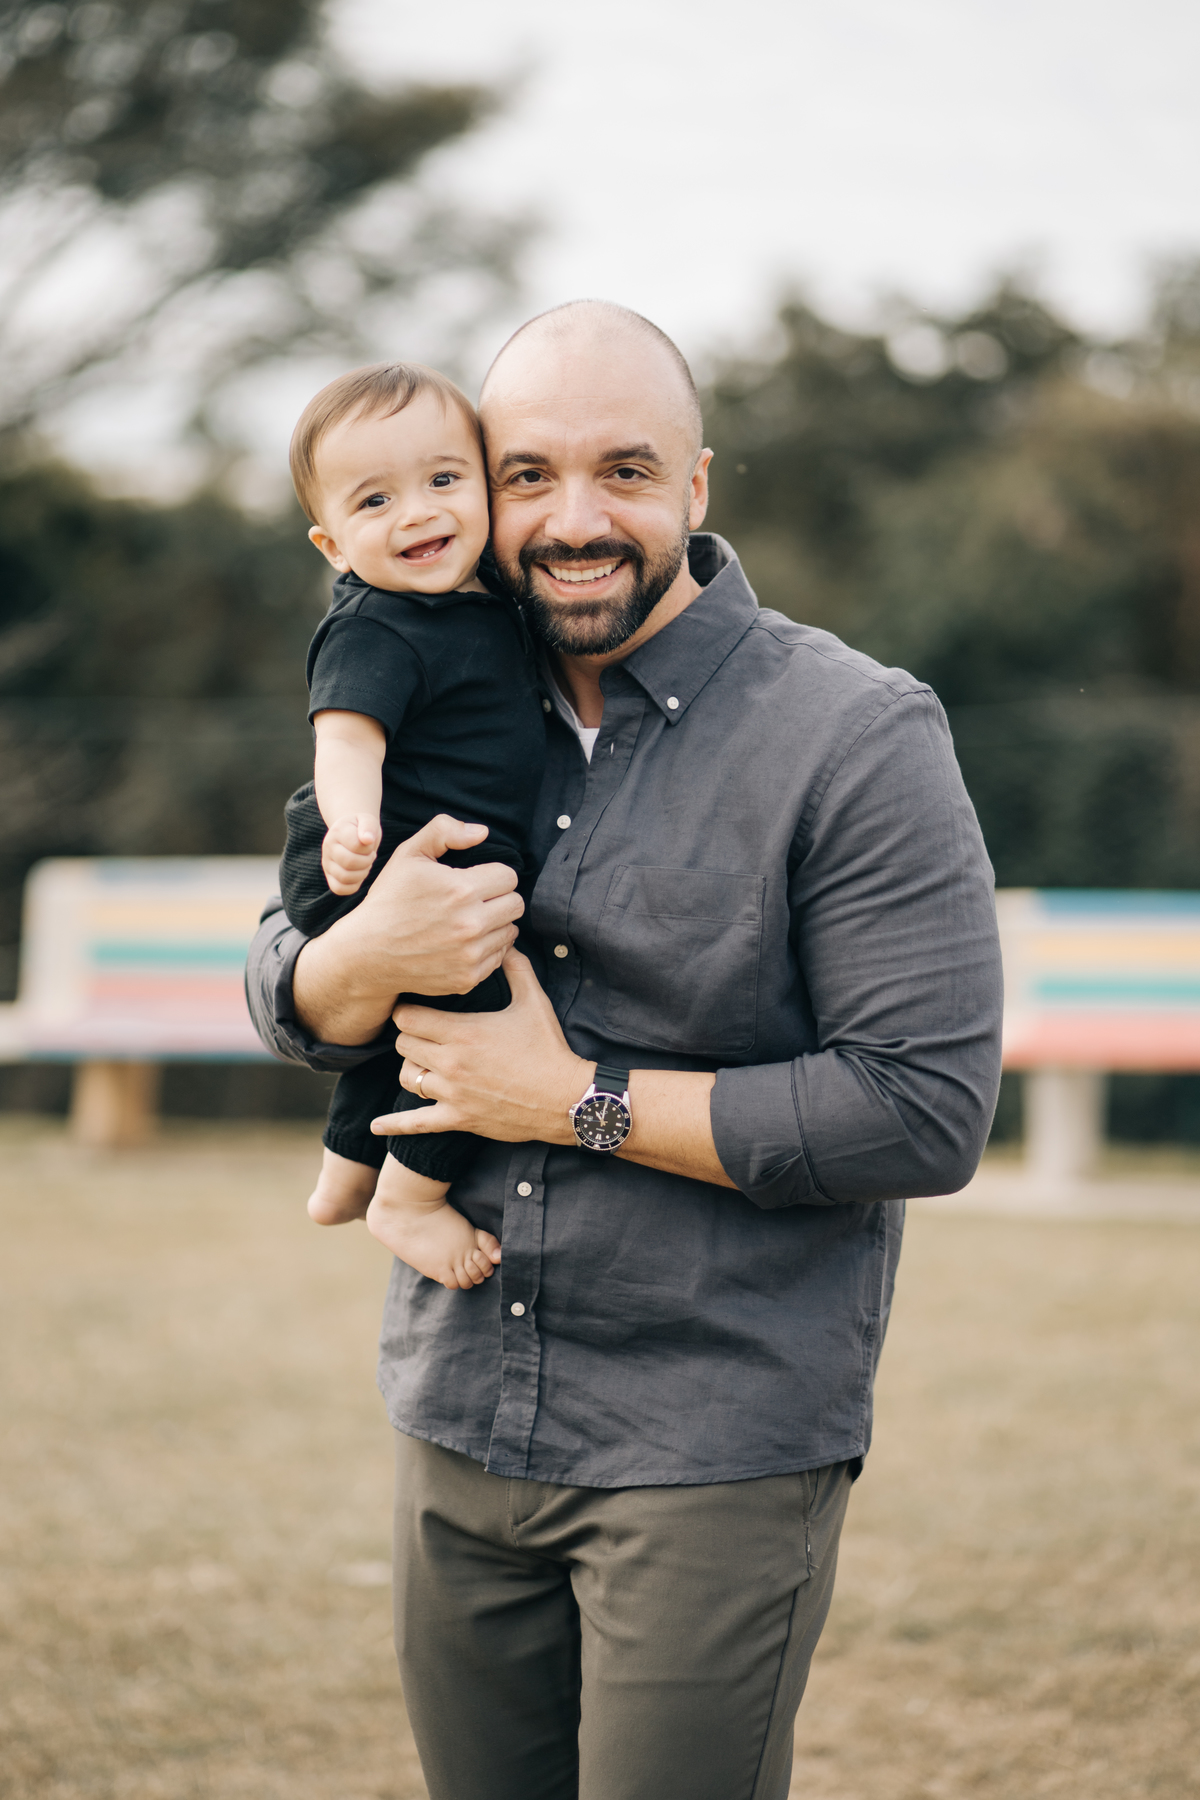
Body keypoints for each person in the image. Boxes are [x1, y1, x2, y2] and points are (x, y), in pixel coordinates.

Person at [246, 299, 1004, 1800]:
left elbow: (921, 1111)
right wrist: (357, 962)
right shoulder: (434, 665)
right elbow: (286, 973)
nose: (575, 520)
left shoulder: (855, 733)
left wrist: (567, 1101)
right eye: (527, 474)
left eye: (628, 472)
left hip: (708, 1443)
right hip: (456, 1413)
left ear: (697, 485)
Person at [280, 360, 545, 1288]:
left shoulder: (484, 602)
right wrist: (352, 826)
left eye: (443, 479)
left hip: (428, 854)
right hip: (383, 855)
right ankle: (410, 1197)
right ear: (333, 544)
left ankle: (346, 1172)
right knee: (475, 1020)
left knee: (409, 1018)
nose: (418, 513)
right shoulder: (378, 624)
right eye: (376, 499)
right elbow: (346, 735)